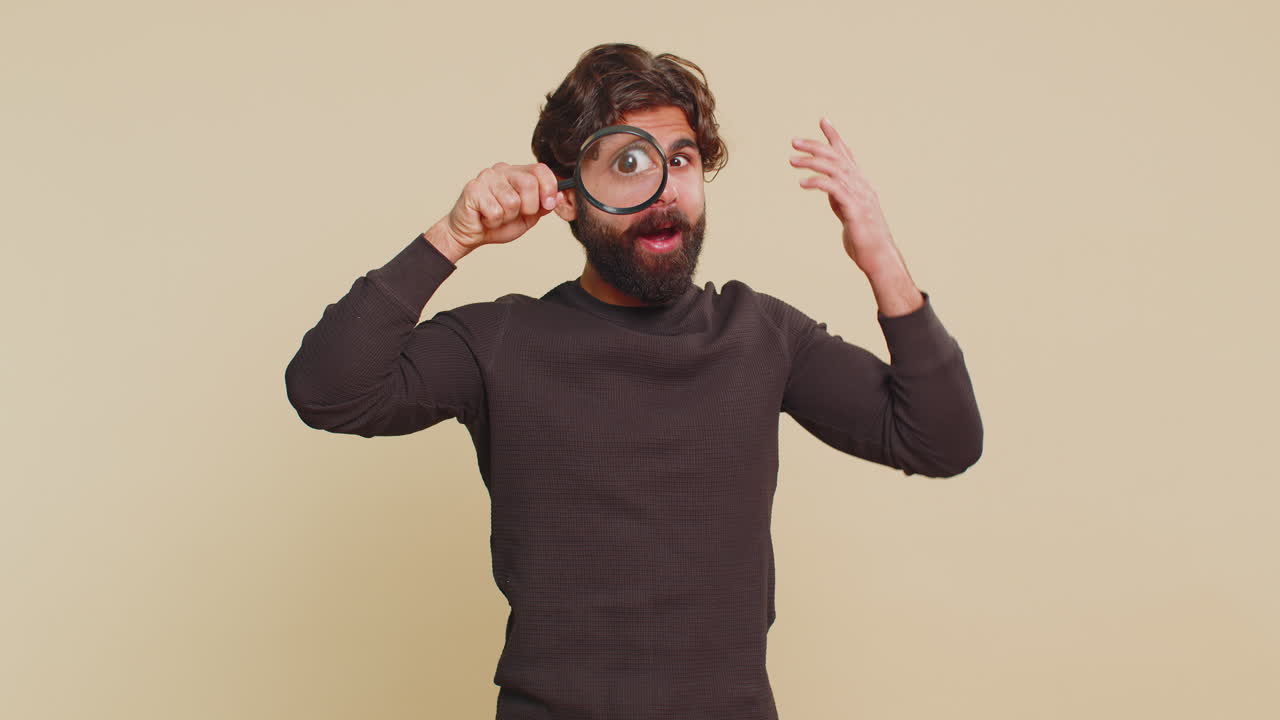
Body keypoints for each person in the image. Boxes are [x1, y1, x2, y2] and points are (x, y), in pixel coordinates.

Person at [285, 42, 982, 720]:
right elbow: (329, 388)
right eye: (628, 163)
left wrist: (879, 255)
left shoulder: (760, 334)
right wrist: (454, 234)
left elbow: (941, 441)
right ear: (567, 194)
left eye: (681, 160)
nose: (665, 192)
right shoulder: (499, 342)